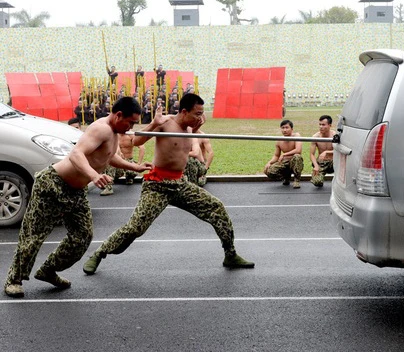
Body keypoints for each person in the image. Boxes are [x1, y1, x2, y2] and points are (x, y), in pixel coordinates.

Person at [82, 93, 254, 275]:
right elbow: (137, 140)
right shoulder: (165, 123)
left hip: (180, 183)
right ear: (184, 111)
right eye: (197, 113)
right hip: (158, 185)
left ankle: (230, 254)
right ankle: (100, 253)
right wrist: (154, 123)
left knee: (216, 208)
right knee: (135, 228)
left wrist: (195, 129)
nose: (200, 118)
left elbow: (182, 149)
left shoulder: (190, 128)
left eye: (202, 113)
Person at [4, 97, 152, 298]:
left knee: (82, 236)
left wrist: (134, 166)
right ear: (118, 115)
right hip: (53, 184)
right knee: (34, 235)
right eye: (131, 122)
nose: (132, 127)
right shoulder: (101, 129)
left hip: (76, 191)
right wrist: (94, 175)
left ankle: (48, 270)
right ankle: (14, 280)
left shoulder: (114, 131)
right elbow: (76, 154)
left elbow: (108, 156)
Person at [264, 120, 303, 189]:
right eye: (283, 128)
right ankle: (286, 177)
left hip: (294, 162)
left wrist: (284, 154)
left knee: (297, 157)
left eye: (287, 127)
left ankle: (296, 180)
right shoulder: (279, 141)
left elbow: (298, 150)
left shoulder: (297, 136)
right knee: (268, 171)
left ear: (292, 129)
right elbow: (276, 155)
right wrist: (269, 163)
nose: (284, 130)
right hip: (284, 163)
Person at [310, 115, 335, 187]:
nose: (321, 127)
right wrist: (316, 166)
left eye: (323, 125)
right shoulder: (315, 137)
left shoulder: (335, 136)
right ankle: (319, 176)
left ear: (330, 125)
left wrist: (327, 152)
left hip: (333, 163)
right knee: (317, 182)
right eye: (320, 124)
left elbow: (339, 151)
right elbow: (312, 154)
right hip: (322, 163)